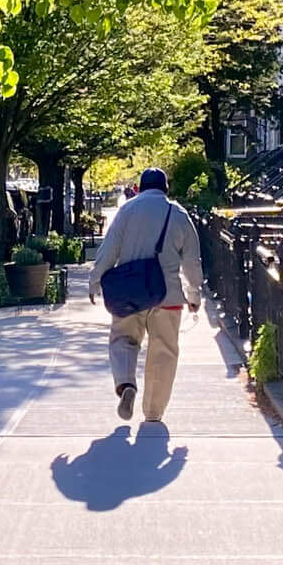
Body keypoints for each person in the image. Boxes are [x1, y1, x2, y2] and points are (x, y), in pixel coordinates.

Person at [87, 168, 203, 424]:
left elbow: (109, 250)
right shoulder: (179, 214)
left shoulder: (127, 211)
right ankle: (153, 412)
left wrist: (95, 281)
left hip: (129, 294)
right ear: (165, 188)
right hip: (168, 296)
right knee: (164, 352)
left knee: (122, 340)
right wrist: (194, 294)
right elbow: (192, 261)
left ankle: (126, 383)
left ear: (139, 188)